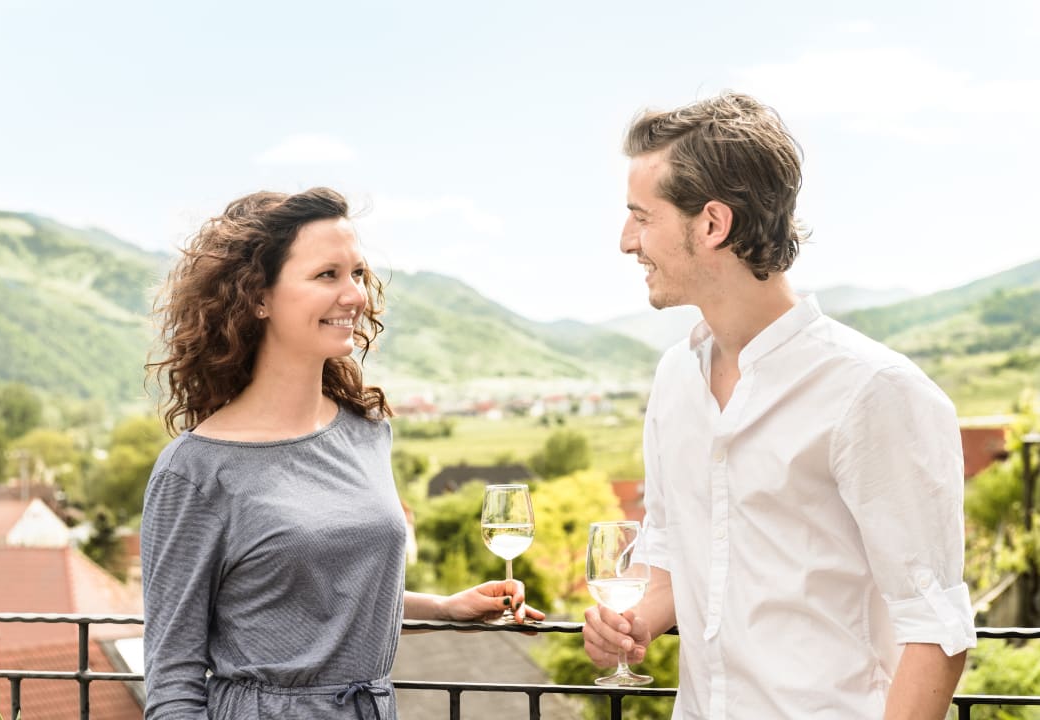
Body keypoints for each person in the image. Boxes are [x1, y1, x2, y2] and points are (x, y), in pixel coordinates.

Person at [581, 92, 976, 719]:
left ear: (712, 224)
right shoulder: (674, 379)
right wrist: (638, 621)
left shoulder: (875, 390)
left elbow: (936, 627)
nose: (626, 240)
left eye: (641, 216)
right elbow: (674, 551)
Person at [141, 187, 543, 720]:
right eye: (327, 275)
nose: (354, 295)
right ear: (257, 297)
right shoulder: (194, 471)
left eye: (357, 273)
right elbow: (172, 681)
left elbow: (318, 596)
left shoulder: (366, 431)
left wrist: (443, 608)